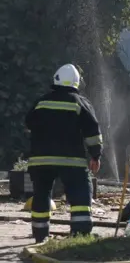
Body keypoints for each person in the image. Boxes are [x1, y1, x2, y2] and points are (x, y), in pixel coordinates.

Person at [25, 64, 102, 243]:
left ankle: (40, 236)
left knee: (41, 196)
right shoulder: (79, 102)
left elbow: (28, 124)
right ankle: (80, 235)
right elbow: (93, 132)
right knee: (81, 194)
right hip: (71, 161)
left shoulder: (41, 102)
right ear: (76, 83)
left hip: (40, 161)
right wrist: (95, 155)